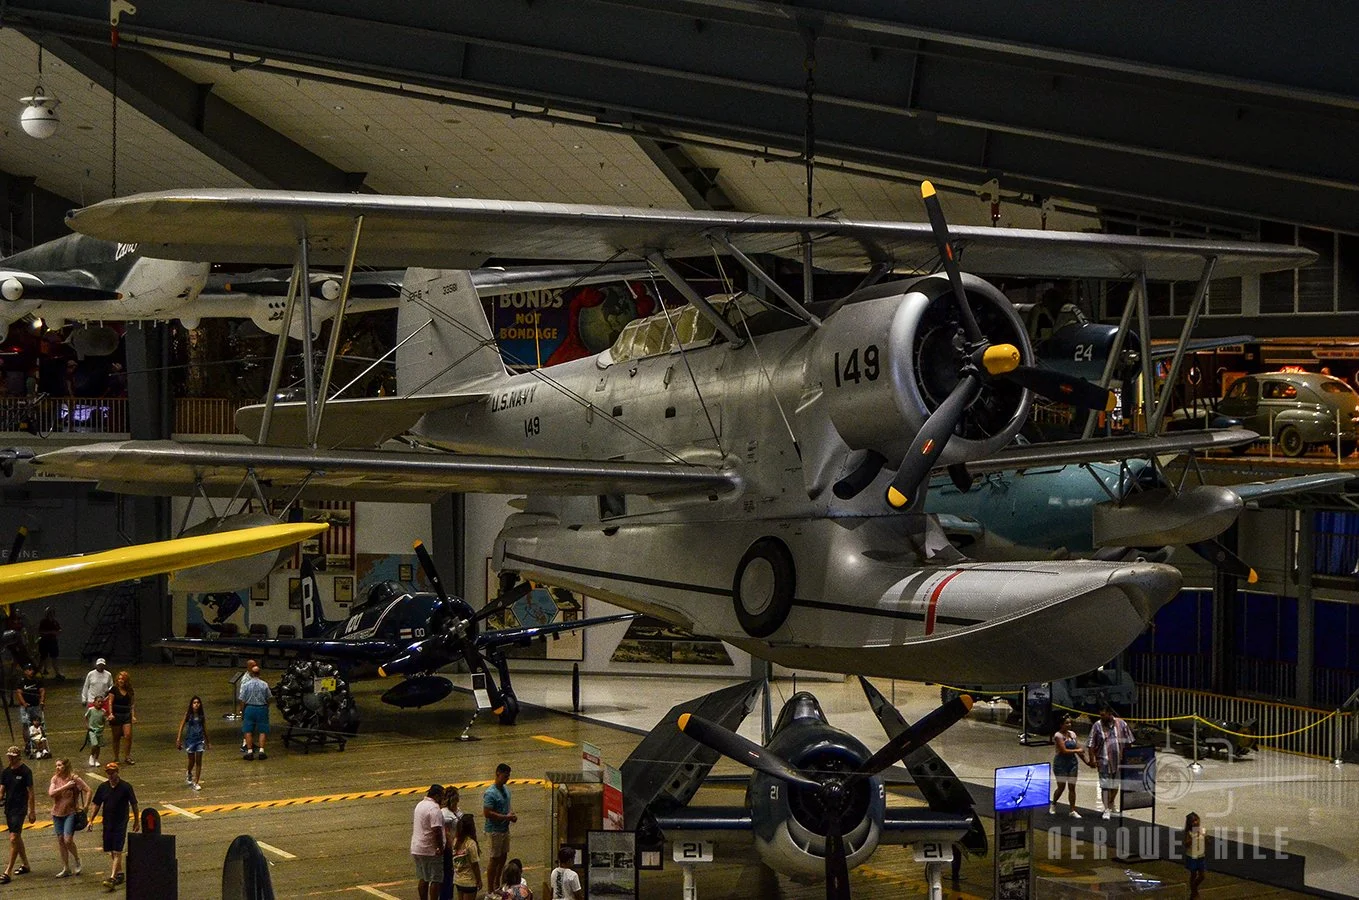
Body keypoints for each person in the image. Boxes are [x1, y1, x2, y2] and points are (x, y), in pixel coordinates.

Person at [88, 761, 138, 890]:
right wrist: (91, 820)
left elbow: (134, 804)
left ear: (117, 772)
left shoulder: (126, 787)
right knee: (111, 849)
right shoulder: (103, 787)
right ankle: (120, 873)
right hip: (108, 822)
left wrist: (137, 821)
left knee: (117, 850)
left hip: (121, 822)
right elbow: (97, 804)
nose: (110, 775)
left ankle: (112, 877)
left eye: (112, 772)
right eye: (108, 773)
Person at [1084, 705, 1134, 820]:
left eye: (1103, 715)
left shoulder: (1122, 724)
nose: (1101, 717)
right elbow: (1091, 744)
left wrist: (1129, 757)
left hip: (1119, 761)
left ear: (1109, 713)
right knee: (1105, 786)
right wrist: (1092, 760)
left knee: (1115, 784)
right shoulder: (1097, 725)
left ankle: (1111, 803)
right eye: (1100, 715)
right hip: (1103, 761)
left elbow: (1129, 741)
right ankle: (1106, 808)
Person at [48, 758, 89, 877]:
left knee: (68, 840)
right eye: (56, 766)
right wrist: (65, 787)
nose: (57, 768)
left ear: (65, 766)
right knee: (60, 840)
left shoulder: (74, 779)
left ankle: (77, 859)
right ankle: (66, 867)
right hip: (57, 813)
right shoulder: (55, 778)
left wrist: (85, 806)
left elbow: (88, 790)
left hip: (70, 813)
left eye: (60, 765)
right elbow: (51, 793)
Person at [0, 747, 34, 883]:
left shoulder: (26, 771)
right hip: (9, 808)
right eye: (9, 756)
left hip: (20, 809)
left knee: (13, 838)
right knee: (16, 837)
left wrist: (32, 811)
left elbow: (31, 792)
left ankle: (7, 871)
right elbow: (2, 790)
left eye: (13, 756)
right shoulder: (6, 772)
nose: (11, 759)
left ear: (18, 757)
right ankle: (25, 864)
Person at [483, 763, 517, 894]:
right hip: (494, 831)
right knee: (494, 859)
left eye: (508, 777)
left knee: (503, 857)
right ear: (498, 774)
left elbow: (508, 807)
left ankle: (497, 883)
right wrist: (505, 817)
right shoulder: (490, 793)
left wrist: (512, 816)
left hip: (504, 829)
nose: (507, 779)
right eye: (505, 776)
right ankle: (490, 889)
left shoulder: (506, 790)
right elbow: (487, 813)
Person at [411, 784, 446, 900]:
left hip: (417, 848)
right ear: (436, 796)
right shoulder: (434, 808)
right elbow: (436, 830)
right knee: (436, 879)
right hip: (430, 850)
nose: (444, 800)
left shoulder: (420, 805)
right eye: (442, 796)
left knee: (423, 878)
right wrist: (440, 848)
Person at [1050, 714, 1082, 818]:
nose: (1069, 725)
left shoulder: (1072, 734)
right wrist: (1078, 750)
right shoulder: (1058, 736)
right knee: (1061, 787)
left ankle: (1072, 810)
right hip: (1060, 764)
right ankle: (1053, 803)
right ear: (1061, 725)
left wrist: (1088, 762)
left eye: (1070, 723)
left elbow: (1079, 749)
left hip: (1072, 763)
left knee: (1072, 787)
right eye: (1066, 723)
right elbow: (1064, 750)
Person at [238, 664, 272, 760]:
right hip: (262, 708)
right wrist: (266, 707)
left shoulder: (246, 685)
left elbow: (242, 699)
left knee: (247, 730)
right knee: (263, 730)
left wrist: (242, 711)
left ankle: (249, 751)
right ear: (259, 673)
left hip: (249, 708)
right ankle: (261, 750)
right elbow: (269, 697)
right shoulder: (264, 684)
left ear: (252, 674)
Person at [175, 696, 209, 790]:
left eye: (198, 702)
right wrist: (178, 739)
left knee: (199, 761)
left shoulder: (201, 716)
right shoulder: (188, 715)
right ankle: (189, 772)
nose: (196, 704)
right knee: (191, 761)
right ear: (191, 704)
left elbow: (204, 728)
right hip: (190, 740)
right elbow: (181, 726)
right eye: (194, 703)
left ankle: (196, 782)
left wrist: (207, 741)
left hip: (199, 740)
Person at [107, 671, 137, 765]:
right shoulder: (114, 689)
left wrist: (133, 716)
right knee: (116, 737)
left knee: (128, 735)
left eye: (122, 679)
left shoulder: (129, 690)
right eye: (119, 679)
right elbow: (110, 702)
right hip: (116, 714)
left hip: (126, 714)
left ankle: (127, 756)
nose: (120, 681)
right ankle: (116, 757)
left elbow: (132, 704)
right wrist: (111, 713)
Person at [14, 664, 44, 758]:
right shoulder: (22, 681)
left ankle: (39, 743)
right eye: (29, 669)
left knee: (37, 724)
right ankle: (27, 744)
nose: (31, 671)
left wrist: (42, 701)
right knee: (26, 725)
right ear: (25, 671)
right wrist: (24, 703)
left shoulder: (37, 681)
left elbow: (42, 691)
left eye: (32, 669)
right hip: (26, 707)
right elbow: (19, 693)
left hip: (35, 706)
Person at [450, 813, 481, 898]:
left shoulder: (456, 841)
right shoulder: (471, 844)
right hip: (469, 881)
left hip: (458, 879)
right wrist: (479, 880)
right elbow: (475, 865)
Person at [1183, 811, 1206, 899]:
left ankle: (1194, 888)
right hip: (1192, 856)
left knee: (1202, 875)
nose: (1195, 822)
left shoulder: (1202, 830)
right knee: (1193, 874)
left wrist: (1205, 837)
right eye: (1193, 821)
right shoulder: (1189, 833)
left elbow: (1207, 842)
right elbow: (1186, 844)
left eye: (1196, 820)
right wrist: (1194, 837)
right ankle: (1193, 891)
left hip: (1201, 856)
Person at [84, 695, 111, 768]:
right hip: (92, 730)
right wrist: (87, 725)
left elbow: (104, 719)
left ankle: (96, 759)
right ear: (94, 702)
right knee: (94, 744)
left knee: (98, 746)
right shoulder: (91, 710)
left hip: (100, 731)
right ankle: (92, 756)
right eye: (98, 701)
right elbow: (86, 717)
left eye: (101, 702)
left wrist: (108, 719)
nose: (100, 703)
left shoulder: (103, 711)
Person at [36, 608, 62, 679]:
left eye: (52, 613)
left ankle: (57, 673)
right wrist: (50, 632)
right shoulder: (44, 622)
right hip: (45, 641)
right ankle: (37, 673)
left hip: (53, 642)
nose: (51, 615)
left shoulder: (55, 622)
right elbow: (40, 631)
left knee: (54, 658)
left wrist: (57, 632)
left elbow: (59, 630)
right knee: (43, 658)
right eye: (50, 613)